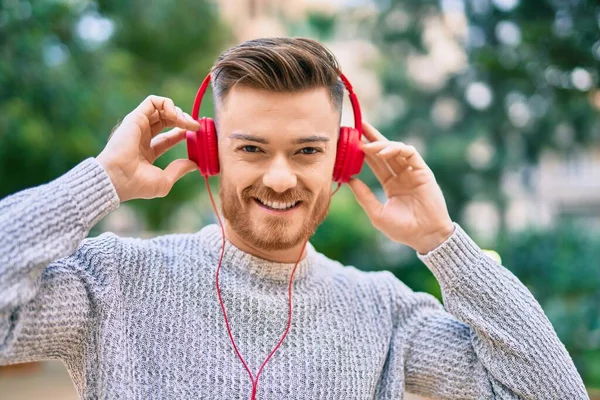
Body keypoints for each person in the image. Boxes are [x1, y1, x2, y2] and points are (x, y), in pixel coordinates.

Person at [0, 37, 588, 400]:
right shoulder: (115, 280)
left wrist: (442, 242)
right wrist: (98, 181)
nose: (280, 178)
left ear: (343, 157)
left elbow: (551, 393)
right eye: (251, 149)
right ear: (208, 153)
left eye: (306, 151)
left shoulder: (382, 310)